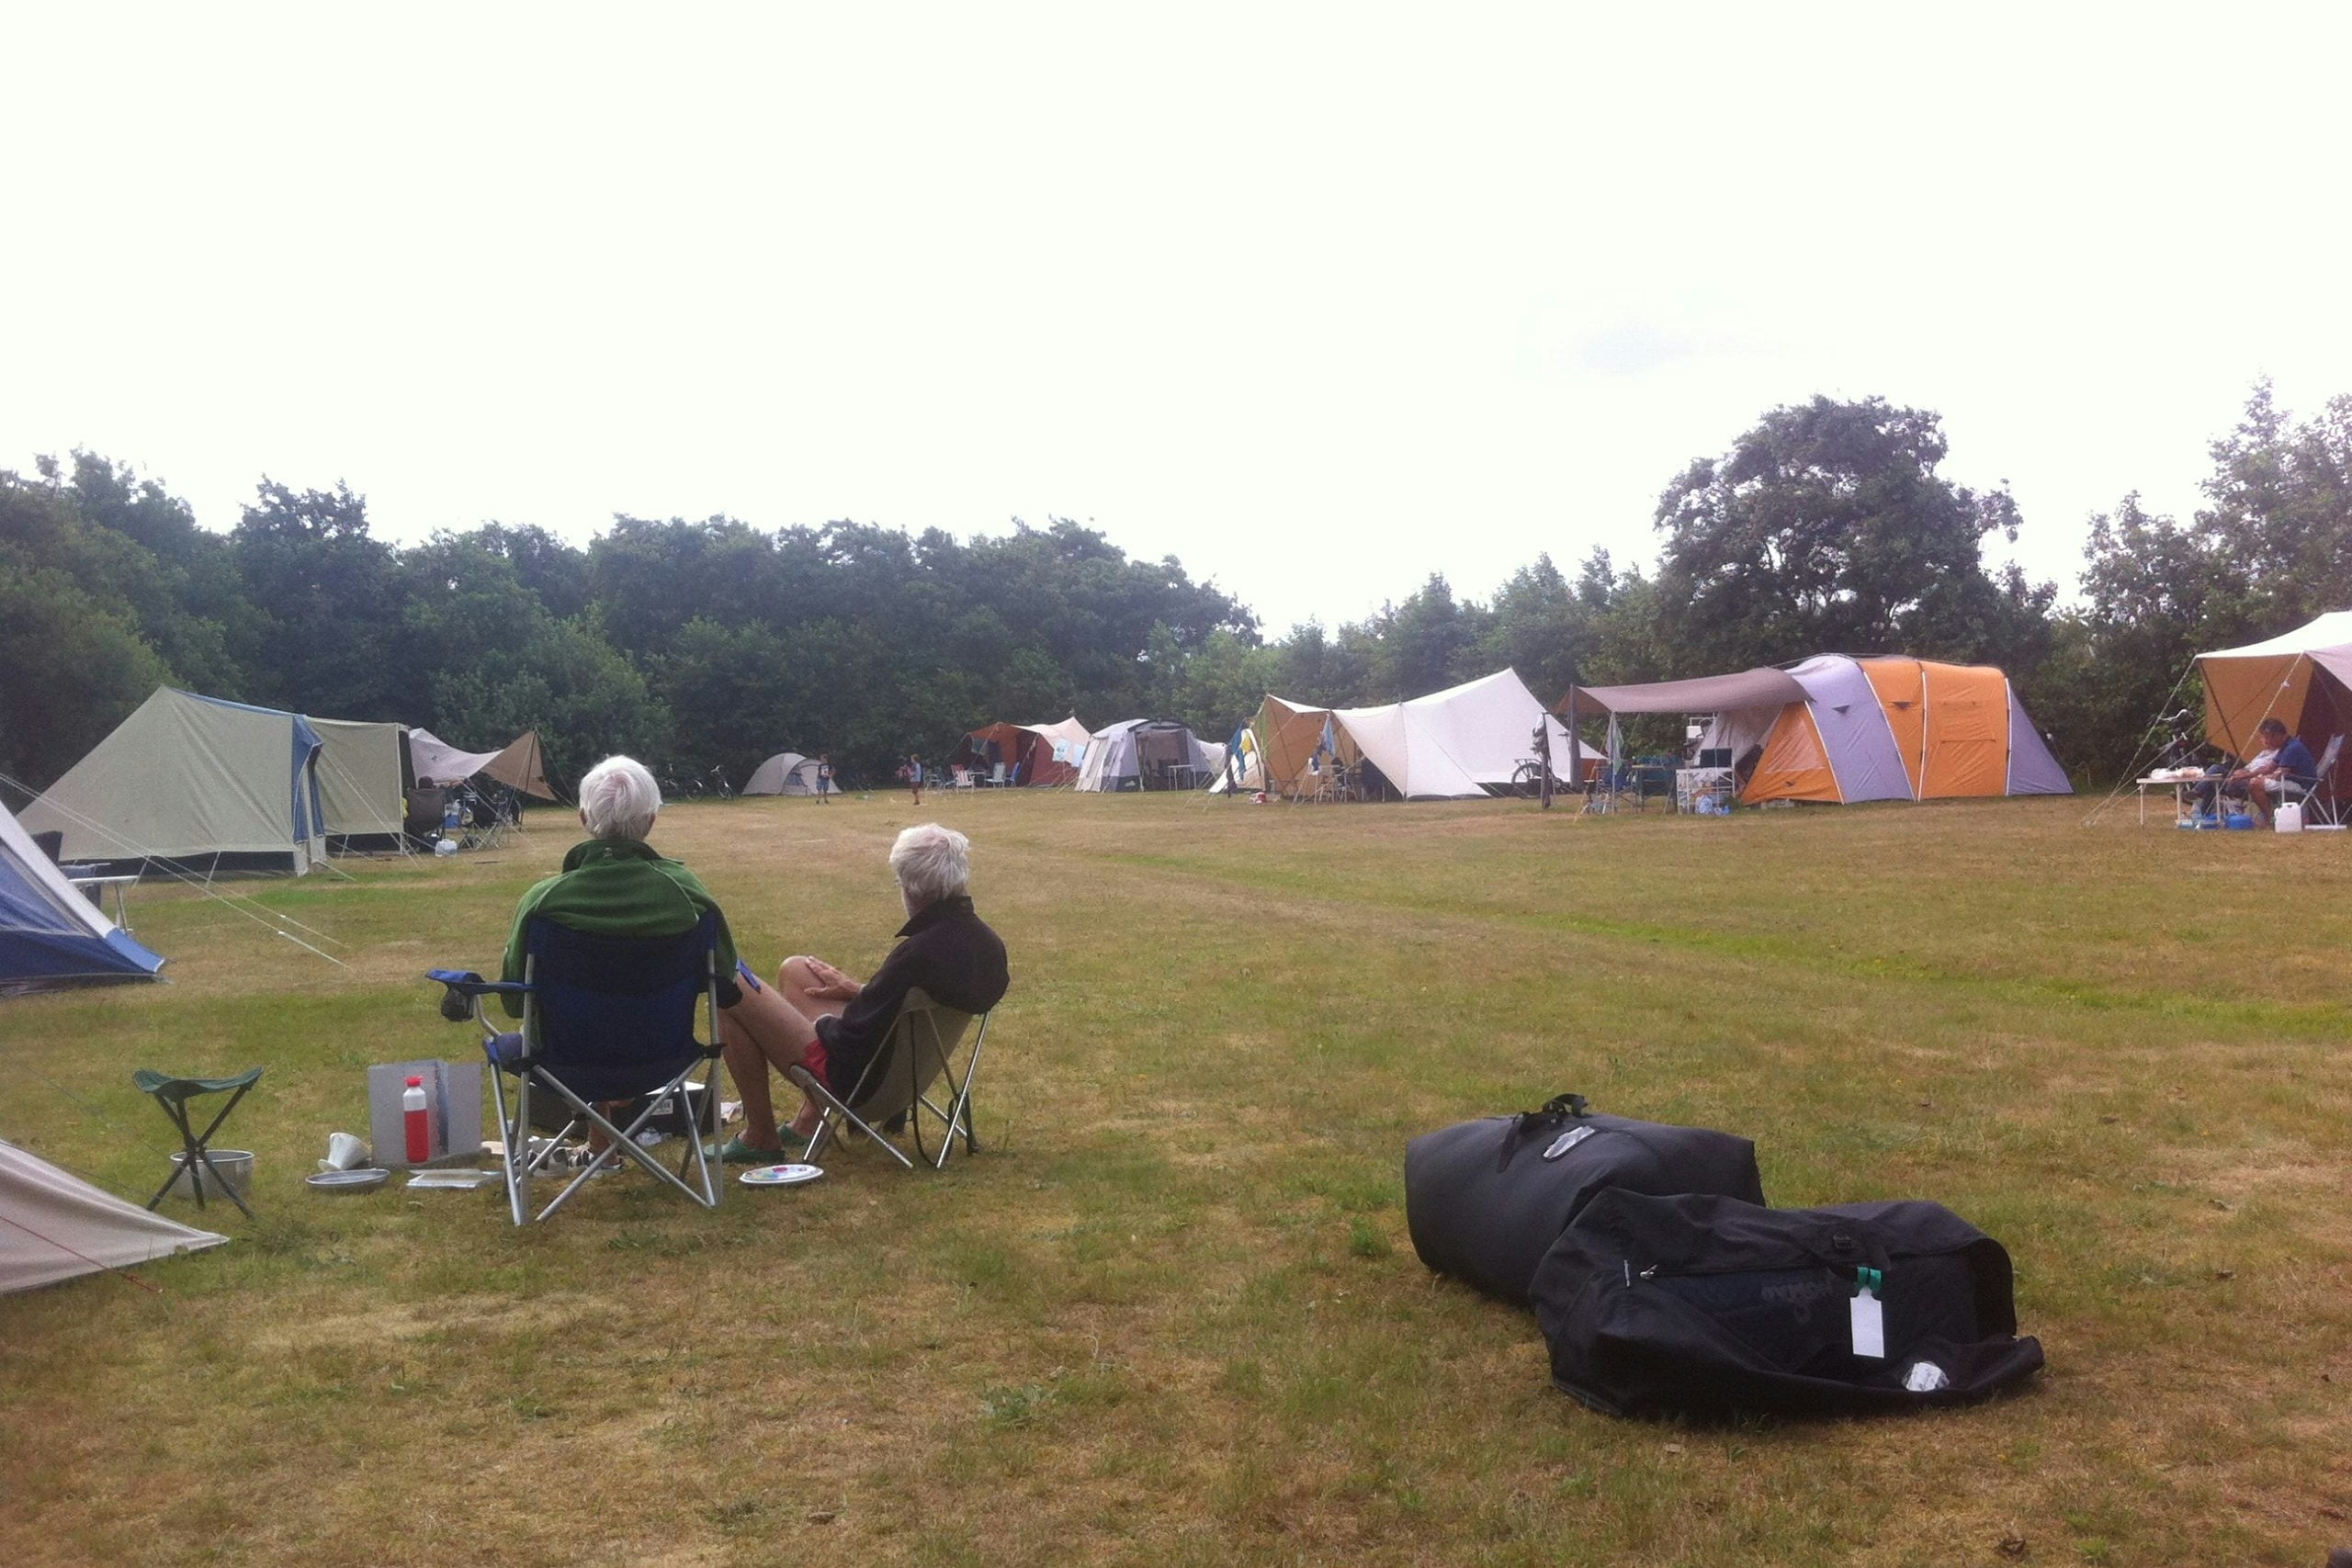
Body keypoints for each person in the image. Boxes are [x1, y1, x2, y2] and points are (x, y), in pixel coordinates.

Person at [495, 756, 813, 1154]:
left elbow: (512, 1002)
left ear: (582, 818)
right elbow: (726, 983)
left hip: (565, 1061)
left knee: (579, 1020)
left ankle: (599, 1148)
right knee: (616, 1014)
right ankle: (600, 1147)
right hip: (664, 1057)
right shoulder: (689, 896)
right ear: (651, 821)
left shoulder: (541, 903)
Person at [708, 822, 1009, 1162]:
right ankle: (808, 1123)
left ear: (910, 887)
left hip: (858, 1085)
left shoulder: (916, 954)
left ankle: (759, 1137)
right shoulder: (988, 946)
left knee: (730, 989)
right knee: (796, 970)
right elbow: (906, 1004)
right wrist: (859, 991)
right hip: (905, 1076)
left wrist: (817, 1021)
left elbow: (849, 1040)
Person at [2215, 717, 2317, 826]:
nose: (2266, 741)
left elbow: (2279, 774)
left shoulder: (2292, 748)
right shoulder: (2285, 746)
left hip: (2302, 785)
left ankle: (2271, 820)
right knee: (2255, 782)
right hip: (2290, 781)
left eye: (2268, 738)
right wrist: (2244, 776)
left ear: (2277, 735)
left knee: (2255, 784)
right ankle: (2272, 818)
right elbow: (2268, 768)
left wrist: (2260, 779)